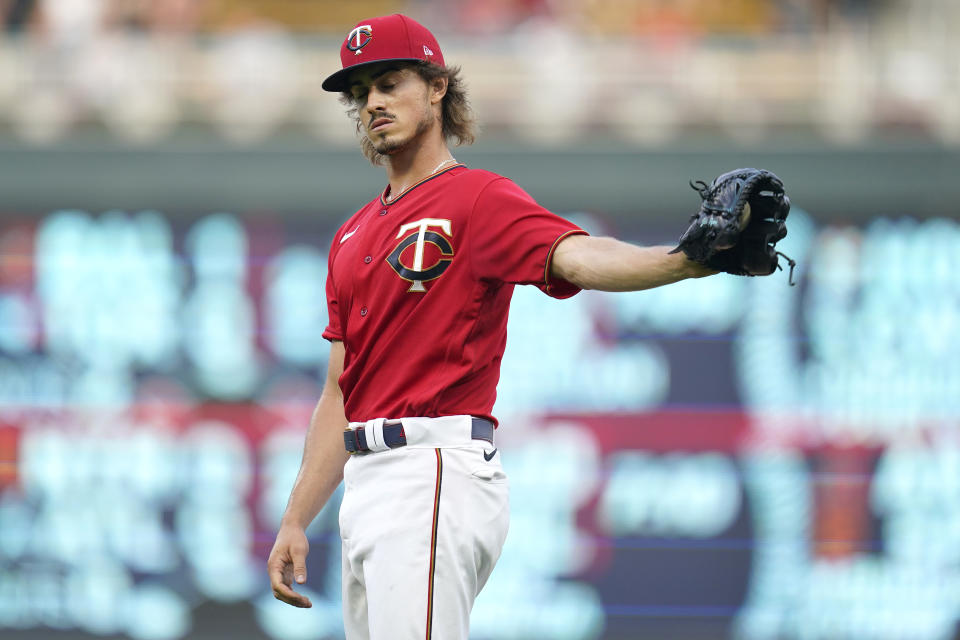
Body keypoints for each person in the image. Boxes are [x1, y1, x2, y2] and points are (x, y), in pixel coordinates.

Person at [267, 13, 716, 640]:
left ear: (437, 87)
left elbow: (576, 255)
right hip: (368, 484)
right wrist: (295, 519)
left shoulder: (476, 199)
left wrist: (683, 261)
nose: (373, 102)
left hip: (432, 467)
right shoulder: (352, 234)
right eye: (361, 92)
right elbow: (339, 393)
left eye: (390, 82)